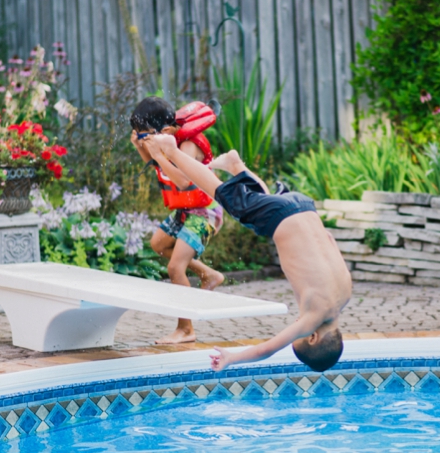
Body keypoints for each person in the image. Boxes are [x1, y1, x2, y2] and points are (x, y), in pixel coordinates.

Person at [140, 133, 349, 373]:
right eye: (299, 333)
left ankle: (235, 165)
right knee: (227, 199)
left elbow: (329, 240)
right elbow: (267, 349)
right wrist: (231, 358)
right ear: (313, 337)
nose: (297, 325)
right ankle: (172, 150)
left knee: (258, 204)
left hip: (304, 207)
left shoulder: (345, 294)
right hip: (281, 218)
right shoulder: (315, 317)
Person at [129, 97, 226, 344]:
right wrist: (142, 149)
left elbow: (184, 181)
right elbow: (157, 168)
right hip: (186, 209)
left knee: (175, 268)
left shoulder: (188, 146)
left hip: (205, 211)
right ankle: (209, 275)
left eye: (146, 136)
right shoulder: (163, 141)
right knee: (159, 245)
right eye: (139, 136)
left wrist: (157, 154)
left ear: (166, 131)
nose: (144, 140)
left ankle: (185, 329)